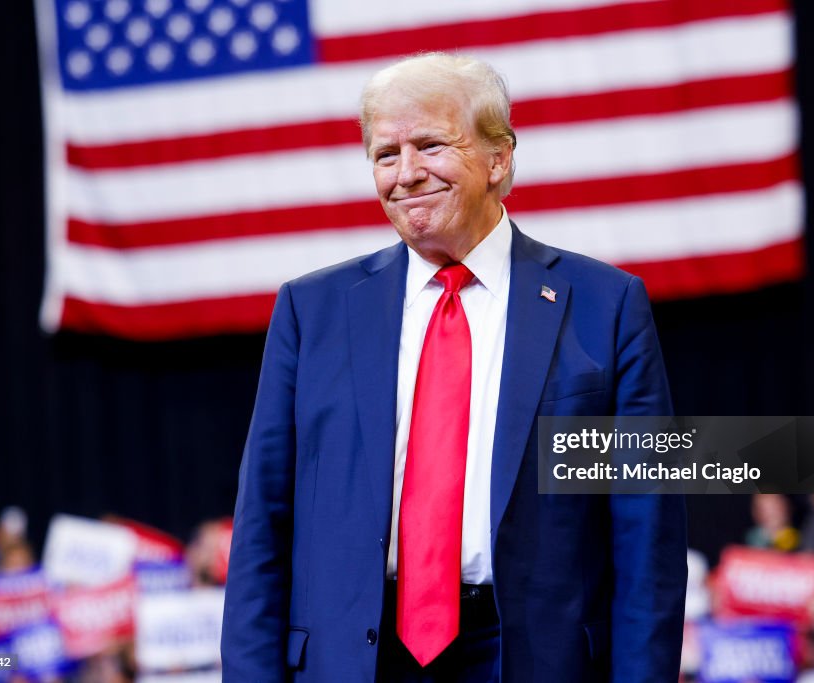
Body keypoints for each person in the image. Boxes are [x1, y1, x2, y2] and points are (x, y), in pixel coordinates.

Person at [221, 52, 687, 682]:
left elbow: (648, 538)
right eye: (386, 155)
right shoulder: (311, 312)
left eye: (431, 146)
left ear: (499, 158)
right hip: (354, 660)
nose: (406, 174)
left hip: (532, 659)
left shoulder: (606, 306)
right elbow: (260, 531)